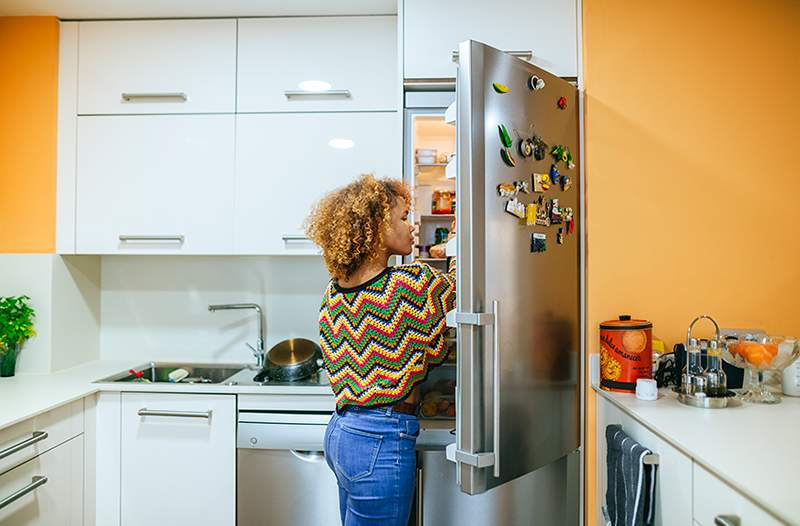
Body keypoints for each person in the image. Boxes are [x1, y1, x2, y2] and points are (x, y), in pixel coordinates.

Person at [305, 174, 455, 526]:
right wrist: (456, 240)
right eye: (403, 217)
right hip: (380, 438)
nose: (412, 227)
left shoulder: (334, 291)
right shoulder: (407, 284)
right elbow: (466, 284)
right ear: (375, 228)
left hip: (342, 432)